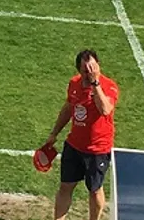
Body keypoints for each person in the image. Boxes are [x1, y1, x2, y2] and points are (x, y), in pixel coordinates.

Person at [42, 49, 119, 220]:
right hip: (74, 145)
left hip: (97, 149)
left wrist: (95, 84)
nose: (90, 72)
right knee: (65, 186)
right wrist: (54, 133)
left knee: (94, 190)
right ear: (79, 70)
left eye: (92, 67)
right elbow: (68, 108)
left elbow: (105, 109)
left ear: (98, 65)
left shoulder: (109, 86)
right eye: (86, 70)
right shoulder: (74, 84)